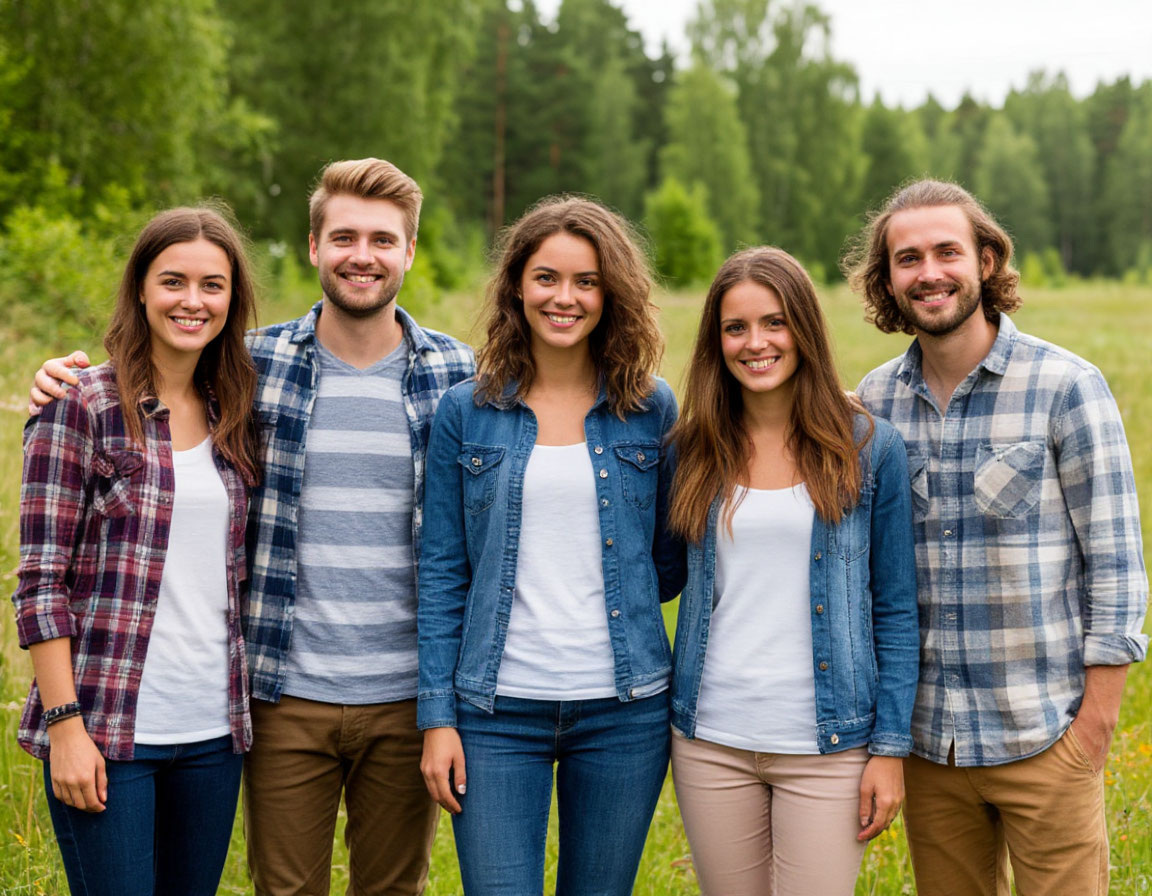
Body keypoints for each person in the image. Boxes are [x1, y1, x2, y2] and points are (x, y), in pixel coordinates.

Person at [29, 158, 476, 896]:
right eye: (343, 236)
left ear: (410, 251)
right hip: (279, 696)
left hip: (405, 700)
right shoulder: (249, 365)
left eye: (382, 239)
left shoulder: (459, 375)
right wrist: (62, 378)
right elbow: (144, 377)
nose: (361, 255)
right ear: (312, 246)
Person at [844, 179, 1148, 896]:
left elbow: (1116, 567)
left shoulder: (1066, 386)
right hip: (928, 748)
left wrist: (1092, 734)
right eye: (907, 258)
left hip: (1045, 737)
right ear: (888, 280)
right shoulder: (874, 402)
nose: (929, 273)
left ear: (986, 260)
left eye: (947, 251)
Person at [417, 196, 683, 895]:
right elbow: (444, 571)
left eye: (586, 281)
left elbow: (668, 557)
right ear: (516, 287)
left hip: (624, 711)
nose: (564, 297)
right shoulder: (466, 410)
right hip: (495, 711)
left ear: (611, 294)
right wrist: (438, 717)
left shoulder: (651, 408)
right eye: (546, 278)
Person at [13, 206, 262, 896]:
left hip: (214, 735)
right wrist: (65, 728)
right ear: (142, 290)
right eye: (173, 281)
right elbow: (40, 582)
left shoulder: (236, 408)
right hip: (108, 731)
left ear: (232, 299)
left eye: (213, 286)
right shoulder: (81, 403)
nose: (192, 301)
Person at [665, 246, 919, 895]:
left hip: (829, 748)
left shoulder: (869, 448)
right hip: (711, 739)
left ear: (803, 327)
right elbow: (658, 575)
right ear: (715, 340)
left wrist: (889, 749)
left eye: (774, 323)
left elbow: (893, 607)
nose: (756, 343)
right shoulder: (692, 449)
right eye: (736, 327)